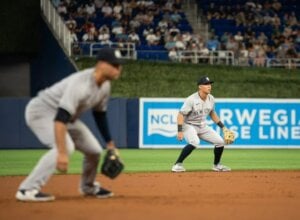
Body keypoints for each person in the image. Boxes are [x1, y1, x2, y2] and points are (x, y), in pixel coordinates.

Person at [15, 48, 125, 202]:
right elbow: (60, 118)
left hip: (65, 118)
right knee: (65, 147)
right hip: (41, 112)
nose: (118, 68)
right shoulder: (81, 84)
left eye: (119, 65)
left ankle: (88, 186)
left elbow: (100, 115)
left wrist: (110, 144)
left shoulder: (105, 86)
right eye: (114, 65)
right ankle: (27, 189)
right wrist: (61, 153)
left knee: (94, 151)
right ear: (100, 64)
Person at [171, 76, 231, 172]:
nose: (209, 86)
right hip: (188, 125)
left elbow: (212, 113)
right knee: (195, 142)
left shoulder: (211, 98)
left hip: (202, 125)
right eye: (206, 84)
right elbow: (180, 115)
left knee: (220, 142)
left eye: (210, 84)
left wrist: (223, 127)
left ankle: (217, 165)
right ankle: (177, 164)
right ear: (200, 86)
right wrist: (180, 131)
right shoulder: (191, 99)